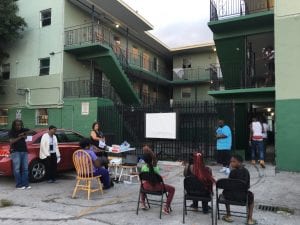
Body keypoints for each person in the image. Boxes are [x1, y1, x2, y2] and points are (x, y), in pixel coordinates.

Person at [222, 154, 256, 225]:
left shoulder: (232, 172)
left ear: (240, 162)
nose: (231, 163)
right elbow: (247, 186)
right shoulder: (246, 172)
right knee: (251, 195)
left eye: (233, 162)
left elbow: (228, 184)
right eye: (231, 161)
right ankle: (250, 219)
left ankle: (228, 215)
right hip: (242, 197)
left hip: (229, 197)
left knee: (224, 192)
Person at [8, 119, 34, 189]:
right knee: (17, 169)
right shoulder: (11, 131)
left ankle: (26, 184)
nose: (19, 126)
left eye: (20, 125)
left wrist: (24, 133)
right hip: (15, 151)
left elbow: (33, 131)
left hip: (24, 151)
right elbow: (11, 141)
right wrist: (20, 137)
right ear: (14, 125)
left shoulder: (23, 129)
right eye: (17, 125)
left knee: (25, 168)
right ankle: (19, 185)